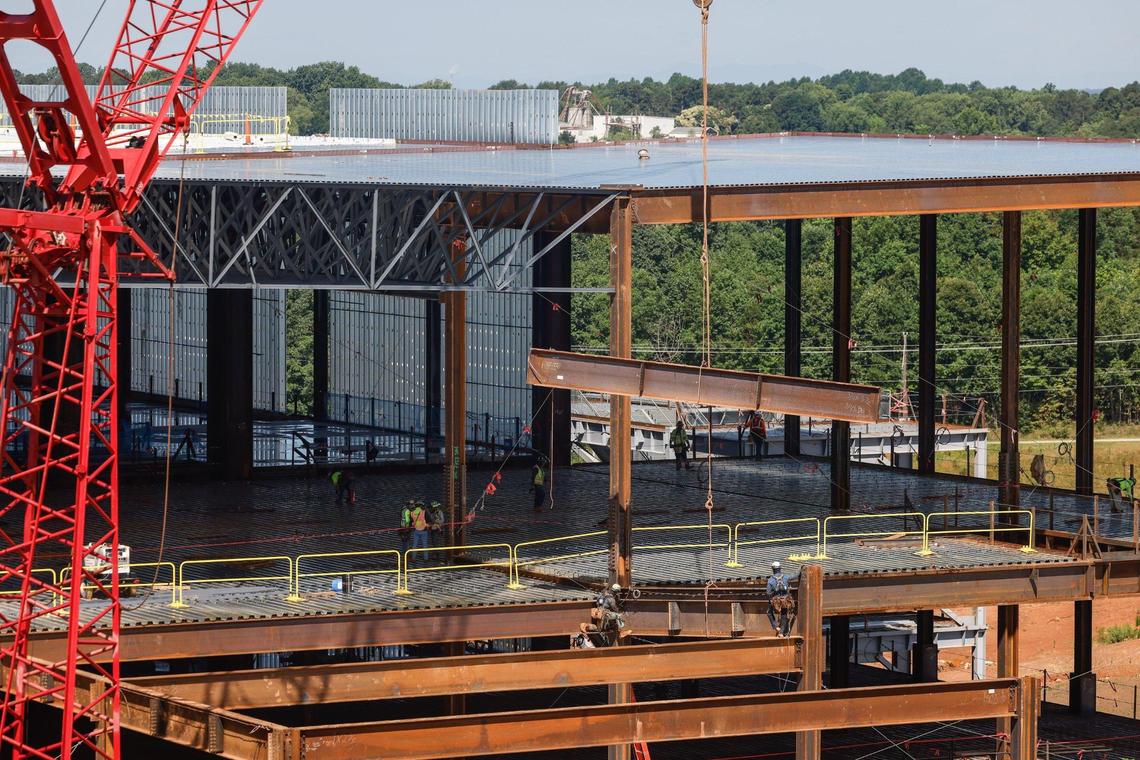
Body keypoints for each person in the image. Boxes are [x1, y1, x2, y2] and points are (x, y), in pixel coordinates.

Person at [766, 561, 795, 637]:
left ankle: (775, 627)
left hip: (777, 601)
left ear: (773, 569)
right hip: (786, 600)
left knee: (769, 612)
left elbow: (768, 592)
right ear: (780, 568)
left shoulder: (770, 580)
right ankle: (781, 632)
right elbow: (795, 575)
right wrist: (801, 568)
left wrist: (771, 601)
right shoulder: (786, 577)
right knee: (784, 614)